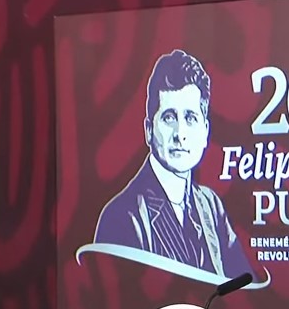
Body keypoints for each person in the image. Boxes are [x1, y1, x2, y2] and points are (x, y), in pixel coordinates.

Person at [90, 49, 254, 282]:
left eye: (190, 118)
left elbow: (244, 287)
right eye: (169, 117)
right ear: (149, 130)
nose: (180, 134)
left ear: (205, 131)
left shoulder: (210, 205)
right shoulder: (122, 217)